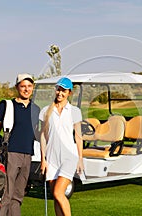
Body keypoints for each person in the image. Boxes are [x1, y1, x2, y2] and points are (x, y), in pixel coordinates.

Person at [0, 73, 40, 216]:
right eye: (23, 86)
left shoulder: (36, 109)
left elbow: (37, 133)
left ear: (33, 87)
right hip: (11, 153)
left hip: (28, 155)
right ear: (17, 87)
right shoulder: (6, 105)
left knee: (18, 196)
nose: (26, 89)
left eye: (29, 86)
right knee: (6, 195)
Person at [39, 77, 84, 216]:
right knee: (55, 196)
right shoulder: (46, 111)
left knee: (59, 193)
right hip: (51, 158)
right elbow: (43, 136)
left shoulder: (74, 111)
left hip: (69, 158)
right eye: (58, 89)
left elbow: (78, 137)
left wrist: (80, 158)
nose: (60, 93)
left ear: (69, 93)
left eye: (63, 90)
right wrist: (43, 159)